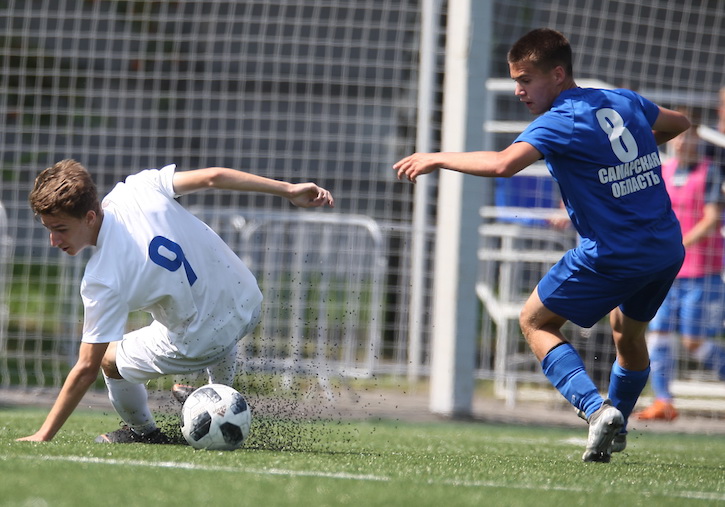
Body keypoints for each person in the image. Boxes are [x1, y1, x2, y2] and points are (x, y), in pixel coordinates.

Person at [394, 28, 691, 462]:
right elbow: (680, 124)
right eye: (516, 80)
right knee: (627, 335)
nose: (519, 90)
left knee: (534, 321)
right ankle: (616, 426)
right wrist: (629, 157)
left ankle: (595, 410)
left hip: (613, 251)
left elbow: (502, 164)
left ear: (557, 74)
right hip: (665, 247)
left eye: (526, 80)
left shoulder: (559, 121)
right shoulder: (622, 100)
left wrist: (437, 157)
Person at [17, 160, 334, 443]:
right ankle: (220, 393)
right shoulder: (136, 188)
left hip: (203, 340)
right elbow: (213, 176)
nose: (53, 240)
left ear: (89, 217)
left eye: (60, 229)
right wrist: (289, 190)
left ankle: (143, 432)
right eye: (48, 229)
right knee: (197, 309)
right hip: (247, 300)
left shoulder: (102, 279)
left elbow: (87, 367)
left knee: (109, 360)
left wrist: (44, 434)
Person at [635, 115, 725, 421]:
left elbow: (712, 219)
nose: (683, 141)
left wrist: (679, 243)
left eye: (690, 136)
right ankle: (663, 401)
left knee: (694, 342)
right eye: (679, 136)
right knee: (658, 333)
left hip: (701, 272)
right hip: (665, 271)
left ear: (699, 140)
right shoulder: (662, 171)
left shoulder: (709, 172)